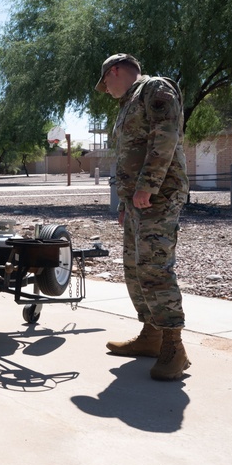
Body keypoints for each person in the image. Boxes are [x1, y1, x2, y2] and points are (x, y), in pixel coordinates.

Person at [95, 53, 190, 381]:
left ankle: (173, 347)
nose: (106, 88)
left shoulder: (155, 89)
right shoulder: (129, 103)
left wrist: (147, 186)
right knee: (135, 269)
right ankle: (151, 336)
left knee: (154, 268)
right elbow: (129, 154)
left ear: (116, 71)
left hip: (159, 196)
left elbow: (165, 138)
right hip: (137, 201)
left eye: (105, 81)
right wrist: (125, 202)